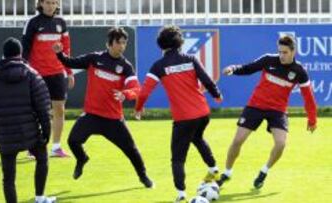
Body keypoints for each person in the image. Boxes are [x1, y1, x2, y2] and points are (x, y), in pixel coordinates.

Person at [52, 27, 154, 188]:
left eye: (124, 43)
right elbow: (70, 62)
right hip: (92, 115)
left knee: (131, 150)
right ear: (109, 43)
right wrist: (59, 54)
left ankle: (143, 177)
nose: (122, 46)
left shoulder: (125, 67)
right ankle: (82, 159)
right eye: (118, 42)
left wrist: (125, 94)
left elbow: (136, 89)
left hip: (113, 119)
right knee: (73, 141)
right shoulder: (94, 58)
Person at [134, 25, 223, 203]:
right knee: (197, 138)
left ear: (161, 44)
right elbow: (206, 79)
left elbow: (144, 92)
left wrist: (138, 108)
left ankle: (181, 194)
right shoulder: (190, 59)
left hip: (184, 118)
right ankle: (213, 168)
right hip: (203, 113)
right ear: (179, 42)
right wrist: (217, 95)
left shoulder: (159, 66)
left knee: (177, 158)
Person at [217, 35, 318, 189]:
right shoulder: (268, 60)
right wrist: (233, 69)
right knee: (237, 141)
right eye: (280, 52)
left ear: (293, 51)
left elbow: (308, 97)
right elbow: (248, 68)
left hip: (277, 111)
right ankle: (227, 172)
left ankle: (264, 171)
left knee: (281, 144)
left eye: (285, 52)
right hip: (256, 106)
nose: (281, 55)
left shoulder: (299, 71)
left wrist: (312, 120)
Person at [0, 37, 55, 203]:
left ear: (3, 55)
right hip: (30, 133)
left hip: (5, 136)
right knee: (42, 159)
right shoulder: (31, 75)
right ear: (20, 53)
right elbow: (43, 107)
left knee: (8, 178)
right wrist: (46, 132)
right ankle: (40, 198)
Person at [22, 0, 74, 157]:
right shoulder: (32, 23)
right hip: (37, 73)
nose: (51, 6)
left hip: (58, 73)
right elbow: (25, 50)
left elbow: (66, 49)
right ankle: (33, 146)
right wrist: (24, 71)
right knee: (36, 111)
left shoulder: (61, 23)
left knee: (59, 109)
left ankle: (56, 147)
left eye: (54, 2)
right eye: (48, 2)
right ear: (41, 4)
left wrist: (69, 71)